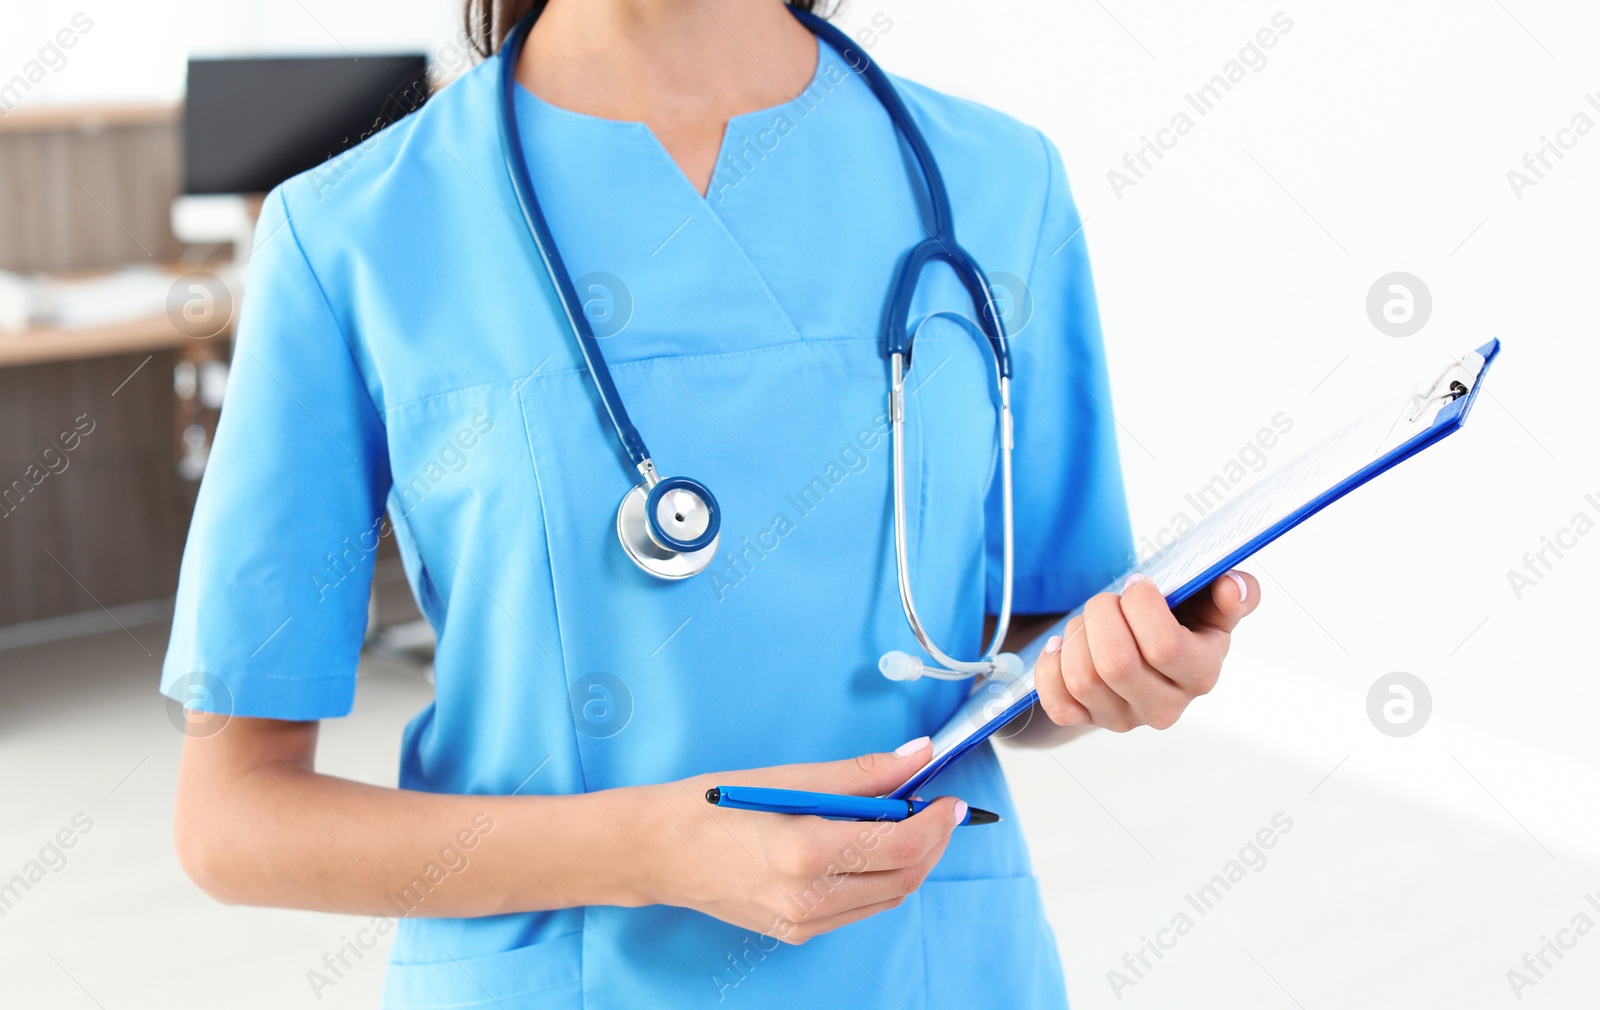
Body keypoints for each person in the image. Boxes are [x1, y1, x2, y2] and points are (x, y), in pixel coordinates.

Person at [160, 1, 1260, 1006]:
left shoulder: (1000, 184)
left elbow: (1027, 660)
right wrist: (644, 847)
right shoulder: (353, 232)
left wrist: (1111, 670)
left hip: (930, 964)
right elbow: (233, 819)